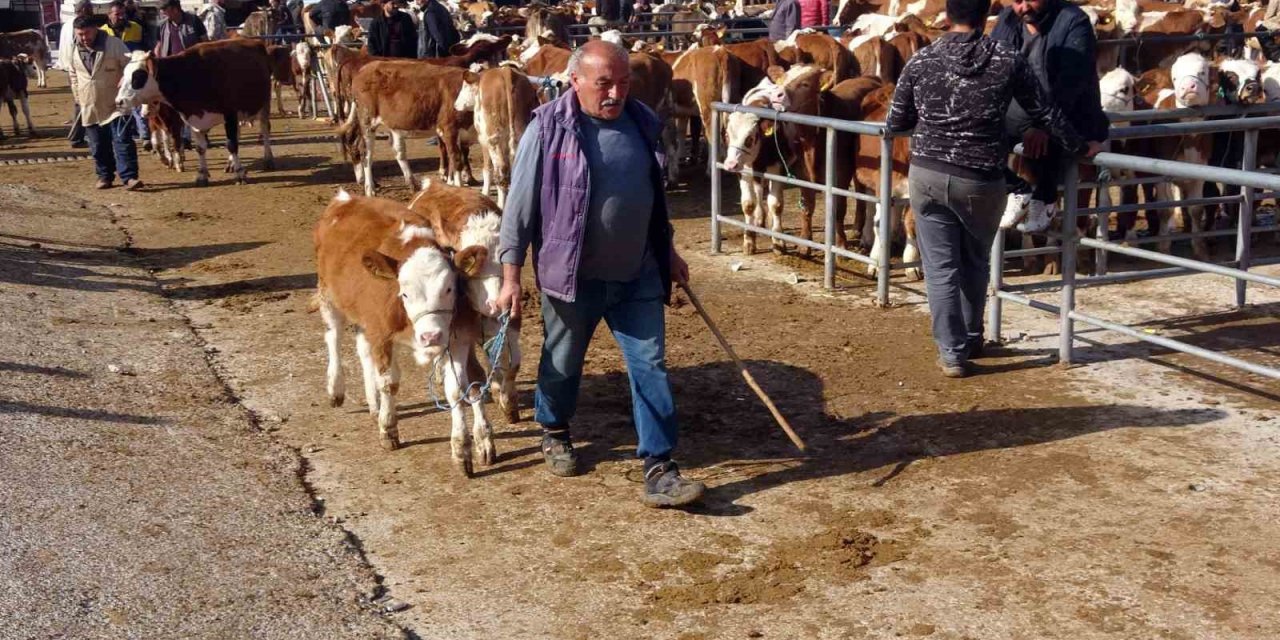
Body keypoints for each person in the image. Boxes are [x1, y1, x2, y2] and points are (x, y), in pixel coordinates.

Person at [497, 40, 705, 508]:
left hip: (638, 273)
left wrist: (667, 250)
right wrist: (511, 276)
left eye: (623, 83)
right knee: (563, 360)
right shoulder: (548, 128)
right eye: (604, 83)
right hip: (571, 278)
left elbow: (652, 200)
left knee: (650, 365)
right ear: (575, 80)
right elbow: (520, 209)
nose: (615, 93)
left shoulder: (641, 122)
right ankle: (553, 429)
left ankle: (659, 466)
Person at [886, 0, 1102, 378]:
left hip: (929, 173)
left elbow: (896, 120)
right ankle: (972, 336)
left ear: (946, 15)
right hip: (981, 177)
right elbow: (1045, 112)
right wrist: (1082, 146)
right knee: (974, 260)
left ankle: (952, 353)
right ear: (986, 13)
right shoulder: (1006, 59)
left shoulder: (920, 61)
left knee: (940, 269)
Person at [989, 0, 1109, 233]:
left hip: (1070, 112)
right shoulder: (1007, 20)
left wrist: (1042, 126)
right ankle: (1018, 189)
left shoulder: (1074, 22)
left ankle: (1045, 197)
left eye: (1030, 0)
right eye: (1017, 1)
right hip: (1020, 110)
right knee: (973, 129)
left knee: (1054, 136)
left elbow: (1069, 85)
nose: (1023, 8)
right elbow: (995, 71)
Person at [67, 16, 142, 191]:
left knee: (123, 141)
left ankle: (129, 177)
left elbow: (131, 65)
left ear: (95, 29)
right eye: (80, 34)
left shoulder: (114, 44)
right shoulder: (74, 49)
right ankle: (104, 176)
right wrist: (78, 95)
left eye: (87, 33)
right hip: (89, 105)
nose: (84, 38)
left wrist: (125, 77)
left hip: (116, 103)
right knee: (98, 145)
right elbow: (73, 74)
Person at [103, 1, 149, 150]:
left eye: (123, 13)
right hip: (112, 75)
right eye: (117, 14)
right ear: (109, 15)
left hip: (133, 74)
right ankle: (123, 133)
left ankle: (145, 135)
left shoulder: (137, 28)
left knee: (136, 104)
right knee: (117, 106)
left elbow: (146, 48)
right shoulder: (102, 33)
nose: (121, 17)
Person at [59, 1, 97, 149]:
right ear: (83, 10)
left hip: (71, 66)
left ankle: (80, 135)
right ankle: (76, 137)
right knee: (82, 103)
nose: (92, 11)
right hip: (78, 68)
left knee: (82, 103)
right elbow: (78, 47)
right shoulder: (77, 26)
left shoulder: (67, 25)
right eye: (90, 9)